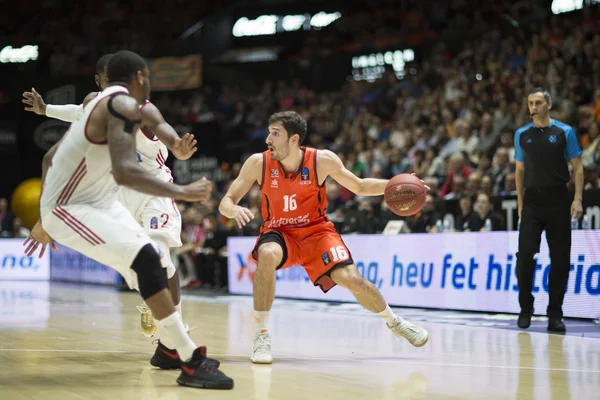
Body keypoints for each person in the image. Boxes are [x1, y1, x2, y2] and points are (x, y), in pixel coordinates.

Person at [22, 50, 233, 390]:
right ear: (139, 77)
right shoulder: (116, 105)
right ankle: (188, 357)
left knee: (156, 261)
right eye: (148, 75)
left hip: (110, 195)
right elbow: (123, 171)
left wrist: (177, 149)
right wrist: (182, 190)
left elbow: (50, 157)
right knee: (148, 263)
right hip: (81, 203)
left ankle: (175, 352)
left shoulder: (112, 106)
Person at [218, 111, 430, 364]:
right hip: (279, 232)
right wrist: (233, 209)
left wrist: (399, 185)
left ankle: (394, 322)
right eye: (269, 132)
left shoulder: (321, 160)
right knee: (267, 254)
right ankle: (262, 335)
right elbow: (226, 202)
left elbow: (360, 186)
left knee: (354, 280)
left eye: (275, 133)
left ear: (293, 139)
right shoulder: (258, 163)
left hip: (317, 232)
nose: (268, 139)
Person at [514, 87, 583, 333]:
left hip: (558, 200)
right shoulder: (522, 134)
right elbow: (519, 171)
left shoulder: (565, 132)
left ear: (549, 105)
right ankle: (526, 308)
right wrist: (521, 204)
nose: (533, 107)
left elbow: (578, 167)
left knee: (560, 260)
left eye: (538, 103)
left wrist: (577, 199)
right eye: (530, 103)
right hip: (532, 202)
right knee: (524, 258)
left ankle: (555, 314)